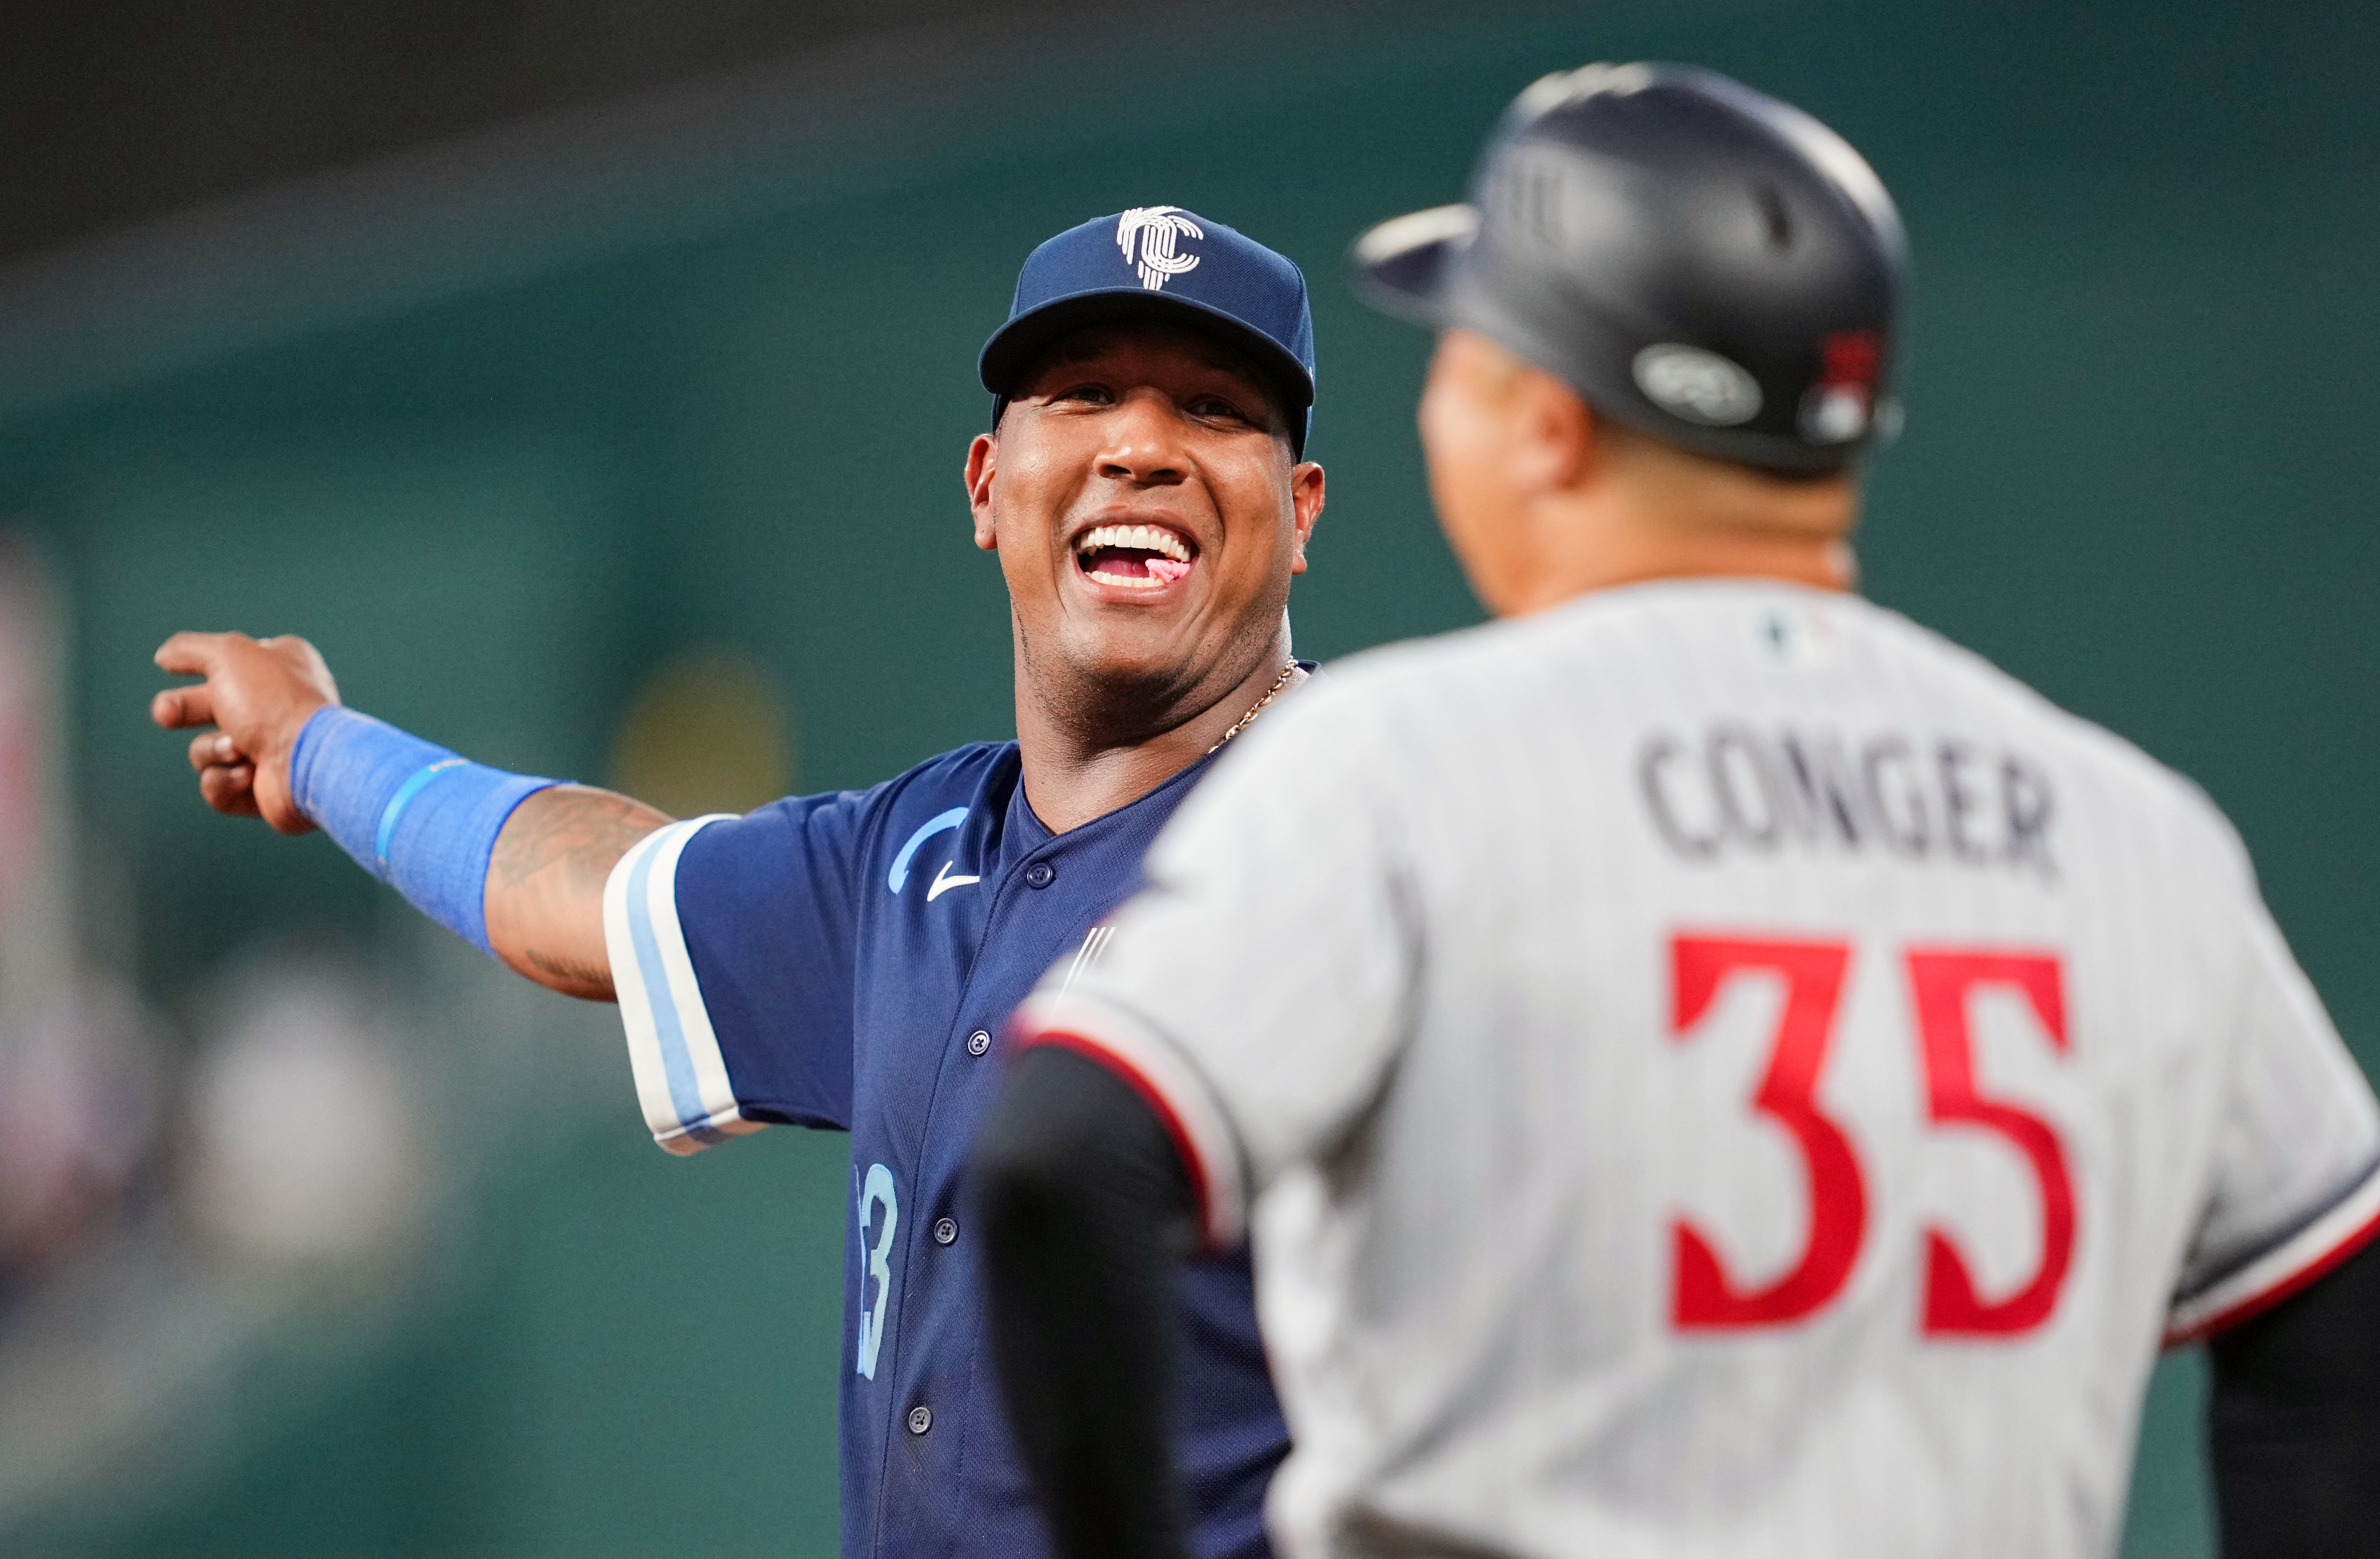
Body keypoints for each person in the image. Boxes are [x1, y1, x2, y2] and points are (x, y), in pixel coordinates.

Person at [971, 64, 2380, 1559]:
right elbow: (2329, 1311)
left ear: (1549, 427)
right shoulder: (2132, 834)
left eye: (1467, 347)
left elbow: (1062, 1154)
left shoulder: (1396, 761)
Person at [148, 207, 1325, 1559]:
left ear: (1296, 514)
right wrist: (320, 746)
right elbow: (585, 893)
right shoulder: (917, 851)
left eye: (1215, 408)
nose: (1140, 445)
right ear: (988, 487)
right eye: (1088, 395)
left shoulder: (1363, 842)